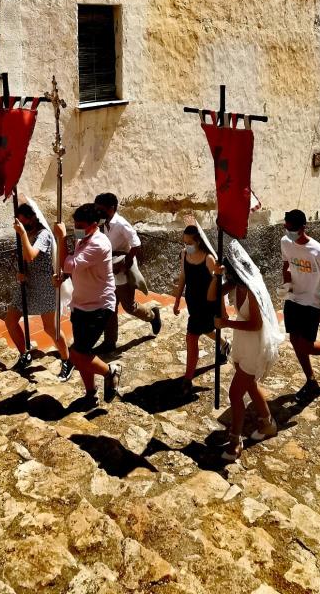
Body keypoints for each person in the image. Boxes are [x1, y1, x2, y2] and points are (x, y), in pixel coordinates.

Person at [213, 239, 283, 461]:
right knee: (251, 386)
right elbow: (214, 294)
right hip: (243, 341)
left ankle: (235, 440)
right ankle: (267, 423)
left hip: (254, 345)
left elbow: (256, 324)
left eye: (228, 272)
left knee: (235, 393)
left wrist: (227, 324)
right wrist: (214, 274)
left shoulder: (251, 290)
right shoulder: (236, 285)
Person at [53, 204, 121, 406]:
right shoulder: (83, 239)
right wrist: (63, 277)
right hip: (81, 304)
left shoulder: (99, 244)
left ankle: (111, 371)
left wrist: (61, 239)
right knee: (85, 352)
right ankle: (90, 393)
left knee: (77, 354)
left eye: (80, 225)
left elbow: (69, 263)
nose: (76, 228)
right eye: (75, 225)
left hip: (99, 306)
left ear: (93, 225)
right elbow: (72, 267)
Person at [6, 199, 73, 379]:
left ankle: (67, 359)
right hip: (27, 285)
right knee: (10, 320)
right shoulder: (27, 234)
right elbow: (23, 260)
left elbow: (30, 256)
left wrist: (22, 234)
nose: (24, 225)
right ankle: (24, 354)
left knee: (50, 329)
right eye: (20, 222)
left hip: (45, 286)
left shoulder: (43, 234)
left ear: (33, 218)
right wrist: (20, 273)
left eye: (25, 221)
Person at [281, 209, 320, 402]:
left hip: (312, 301)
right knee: (295, 341)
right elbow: (286, 264)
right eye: (287, 228)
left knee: (305, 344)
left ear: (303, 227)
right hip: (293, 298)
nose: (289, 232)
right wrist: (286, 284)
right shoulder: (285, 242)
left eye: (293, 229)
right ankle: (311, 381)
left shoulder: (318, 251)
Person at [95, 192, 161, 354]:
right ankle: (110, 342)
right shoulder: (101, 222)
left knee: (129, 306)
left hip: (121, 269)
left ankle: (152, 315)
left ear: (112, 208)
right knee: (110, 307)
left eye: (101, 209)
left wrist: (125, 264)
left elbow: (136, 244)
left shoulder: (121, 224)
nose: (99, 212)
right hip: (108, 268)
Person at [172, 225, 228, 395]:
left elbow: (218, 284)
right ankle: (224, 344)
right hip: (193, 303)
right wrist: (177, 301)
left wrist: (222, 309)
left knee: (191, 337)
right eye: (184, 241)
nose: (186, 245)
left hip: (207, 304)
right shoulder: (184, 254)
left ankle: (188, 378)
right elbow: (183, 277)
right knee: (206, 329)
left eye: (189, 242)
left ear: (198, 241)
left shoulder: (208, 258)